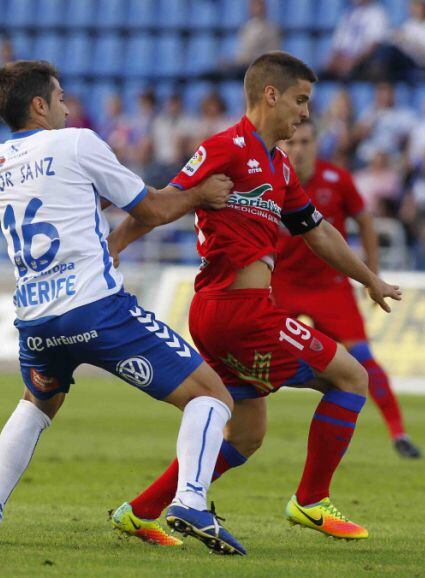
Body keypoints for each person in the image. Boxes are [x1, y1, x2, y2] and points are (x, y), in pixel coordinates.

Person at [0, 60, 246, 556]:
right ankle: (191, 501)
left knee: (37, 403)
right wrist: (200, 194)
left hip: (35, 321)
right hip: (97, 311)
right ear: (39, 104)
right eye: (61, 97)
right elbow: (149, 210)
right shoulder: (78, 142)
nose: (69, 106)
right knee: (212, 396)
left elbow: (66, 204)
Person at [107, 52, 401, 546]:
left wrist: (368, 278)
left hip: (227, 316)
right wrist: (112, 248)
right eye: (300, 100)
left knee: (245, 436)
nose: (305, 114)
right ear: (270, 95)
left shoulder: (280, 166)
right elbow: (159, 204)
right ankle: (310, 501)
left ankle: (140, 511)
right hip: (240, 314)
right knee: (351, 375)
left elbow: (318, 232)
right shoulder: (224, 148)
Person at [273, 120, 421, 457]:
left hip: (330, 287)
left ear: (316, 145)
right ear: (283, 144)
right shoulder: (270, 180)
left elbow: (365, 221)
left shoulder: (336, 179)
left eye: (305, 142)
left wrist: (372, 274)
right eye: (292, 143)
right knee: (250, 355)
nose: (298, 149)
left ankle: (399, 433)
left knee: (364, 358)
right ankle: (231, 428)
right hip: (282, 285)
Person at [323, 0, 390, 80]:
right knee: (319, 75)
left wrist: (353, 62)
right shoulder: (348, 13)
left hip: (363, 62)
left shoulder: (377, 13)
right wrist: (332, 61)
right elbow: (338, 44)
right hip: (345, 60)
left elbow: (373, 45)